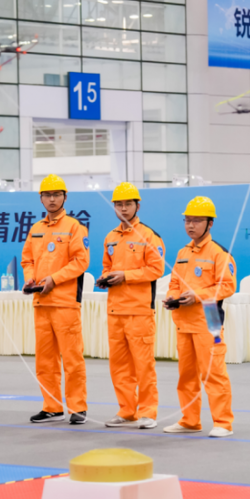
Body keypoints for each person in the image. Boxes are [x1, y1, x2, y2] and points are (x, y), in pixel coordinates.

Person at [163, 196, 236, 437]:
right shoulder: (183, 252)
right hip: (184, 320)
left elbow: (227, 286)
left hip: (210, 320)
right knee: (186, 376)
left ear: (210, 223)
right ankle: (190, 420)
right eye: (187, 220)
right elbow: (174, 282)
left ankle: (223, 423)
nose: (190, 225)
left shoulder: (219, 253)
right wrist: (172, 297)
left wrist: (197, 296)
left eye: (196, 220)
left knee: (213, 373)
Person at [22, 174, 90, 424]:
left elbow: (81, 261)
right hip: (41, 303)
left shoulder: (74, 227)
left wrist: (54, 279)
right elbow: (27, 259)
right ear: (40, 198)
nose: (52, 199)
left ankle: (78, 407)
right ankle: (52, 406)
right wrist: (30, 279)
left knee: (72, 358)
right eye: (47, 195)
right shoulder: (36, 229)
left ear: (65, 197)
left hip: (65, 302)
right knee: (45, 360)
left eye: (57, 195)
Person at [97, 182, 165, 429]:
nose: (123, 208)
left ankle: (148, 412)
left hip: (139, 310)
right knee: (119, 366)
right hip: (115, 310)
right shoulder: (111, 237)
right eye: (119, 204)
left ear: (138, 206)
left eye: (128, 204)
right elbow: (107, 266)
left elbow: (156, 269)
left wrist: (125, 276)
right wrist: (105, 278)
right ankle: (127, 410)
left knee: (143, 365)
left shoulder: (149, 236)